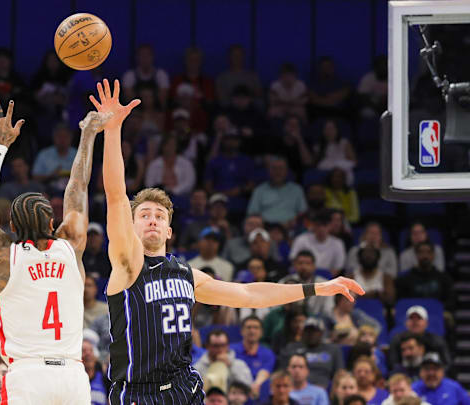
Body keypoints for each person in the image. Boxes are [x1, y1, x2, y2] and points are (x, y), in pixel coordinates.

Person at [92, 78, 362, 404]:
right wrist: (112, 131)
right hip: (139, 394)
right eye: (144, 214)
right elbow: (117, 196)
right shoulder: (127, 263)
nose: (152, 219)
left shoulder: (186, 275)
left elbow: (250, 293)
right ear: (131, 227)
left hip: (184, 388)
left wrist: (318, 287)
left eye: (160, 216)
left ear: (169, 231)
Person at [0, 98, 110, 405]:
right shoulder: (71, 246)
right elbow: (78, 186)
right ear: (52, 221)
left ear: (11, 225)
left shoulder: (3, 254)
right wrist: (88, 134)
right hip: (73, 375)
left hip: (27, 375)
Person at [279, 317, 344, 388]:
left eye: (314, 331)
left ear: (321, 333)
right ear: (303, 332)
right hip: (295, 387)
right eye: (308, 331)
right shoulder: (292, 348)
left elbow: (340, 374)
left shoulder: (332, 350)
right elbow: (282, 372)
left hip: (324, 388)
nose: (311, 334)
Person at [247, 156, 308, 227]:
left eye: (281, 168)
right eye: (274, 168)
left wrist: (293, 221)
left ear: (286, 171)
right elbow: (252, 213)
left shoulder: (297, 189)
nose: (278, 172)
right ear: (269, 171)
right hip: (266, 228)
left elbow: (303, 212)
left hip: (291, 228)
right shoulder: (259, 190)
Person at [396, 242, 455, 311]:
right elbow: (401, 302)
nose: (425, 256)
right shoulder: (405, 279)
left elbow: (451, 302)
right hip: (413, 316)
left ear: (433, 255)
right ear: (416, 255)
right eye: (421, 252)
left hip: (436, 316)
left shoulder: (444, 279)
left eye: (428, 252)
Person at [388, 306, 451, 371]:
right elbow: (392, 363)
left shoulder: (437, 341)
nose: (415, 322)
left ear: (426, 323)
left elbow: (446, 364)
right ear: (406, 323)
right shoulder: (397, 340)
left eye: (419, 318)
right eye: (411, 318)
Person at [230, 316, 276, 399]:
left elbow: (265, 371)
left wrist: (256, 384)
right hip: (235, 392)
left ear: (261, 332)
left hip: (258, 393)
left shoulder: (267, 353)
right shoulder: (231, 350)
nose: (252, 331)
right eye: (248, 327)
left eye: (256, 328)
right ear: (241, 331)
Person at [290, 210, 346, 276]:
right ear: (313, 226)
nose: (321, 229)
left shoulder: (338, 243)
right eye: (318, 225)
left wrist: (321, 280)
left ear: (330, 226)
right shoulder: (301, 239)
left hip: (326, 279)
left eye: (324, 225)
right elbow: (294, 261)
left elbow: (337, 269)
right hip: (303, 276)